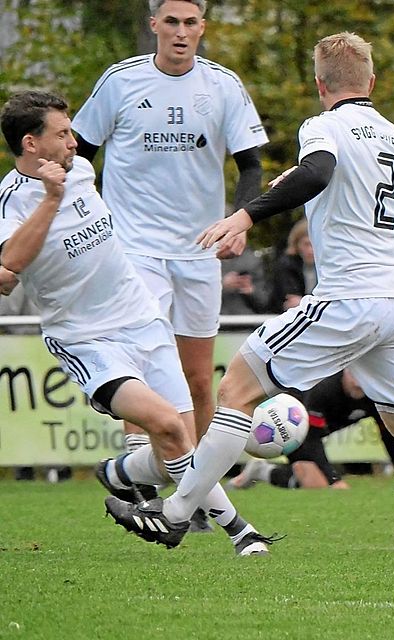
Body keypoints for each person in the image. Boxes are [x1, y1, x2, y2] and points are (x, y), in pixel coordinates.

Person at [103, 32, 394, 558]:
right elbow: (337, 183)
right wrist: (295, 181)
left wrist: (245, 215)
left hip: (350, 296)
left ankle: (176, 514)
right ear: (371, 82)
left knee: (236, 390)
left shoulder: (322, 126)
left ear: (320, 86)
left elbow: (319, 172)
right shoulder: (393, 134)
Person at [0, 90, 272, 555]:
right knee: (168, 427)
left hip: (143, 318)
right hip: (86, 339)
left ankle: (120, 472)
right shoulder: (12, 200)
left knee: (180, 446)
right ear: (30, 143)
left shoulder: (80, 170)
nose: (74, 142)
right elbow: (10, 265)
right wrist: (50, 199)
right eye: (62, 134)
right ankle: (241, 531)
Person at [71, 0, 269, 450]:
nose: (181, 32)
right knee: (140, 369)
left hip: (200, 250)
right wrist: (89, 221)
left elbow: (251, 164)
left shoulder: (223, 85)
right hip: (134, 249)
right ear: (154, 24)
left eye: (190, 23)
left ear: (202, 28)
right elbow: (80, 157)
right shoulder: (120, 80)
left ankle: (196, 482)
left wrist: (239, 222)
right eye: (172, 22)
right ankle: (140, 475)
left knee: (197, 378)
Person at [229, 369, 394, 490]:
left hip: (309, 434)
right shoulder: (325, 389)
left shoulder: (373, 396)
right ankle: (262, 471)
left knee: (316, 483)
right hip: (291, 430)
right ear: (346, 371)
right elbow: (312, 438)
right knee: (318, 485)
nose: (359, 384)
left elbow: (389, 436)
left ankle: (261, 471)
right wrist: (334, 479)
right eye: (355, 378)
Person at [268, 218, 316, 312]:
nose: (310, 250)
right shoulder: (287, 265)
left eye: (314, 244)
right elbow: (291, 299)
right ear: (297, 244)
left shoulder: (328, 266)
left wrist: (304, 302)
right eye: (306, 244)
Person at [221, 244, 270, 314]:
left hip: (246, 317)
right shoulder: (207, 257)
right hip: (216, 317)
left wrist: (251, 291)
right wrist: (221, 285)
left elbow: (264, 302)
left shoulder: (253, 260)